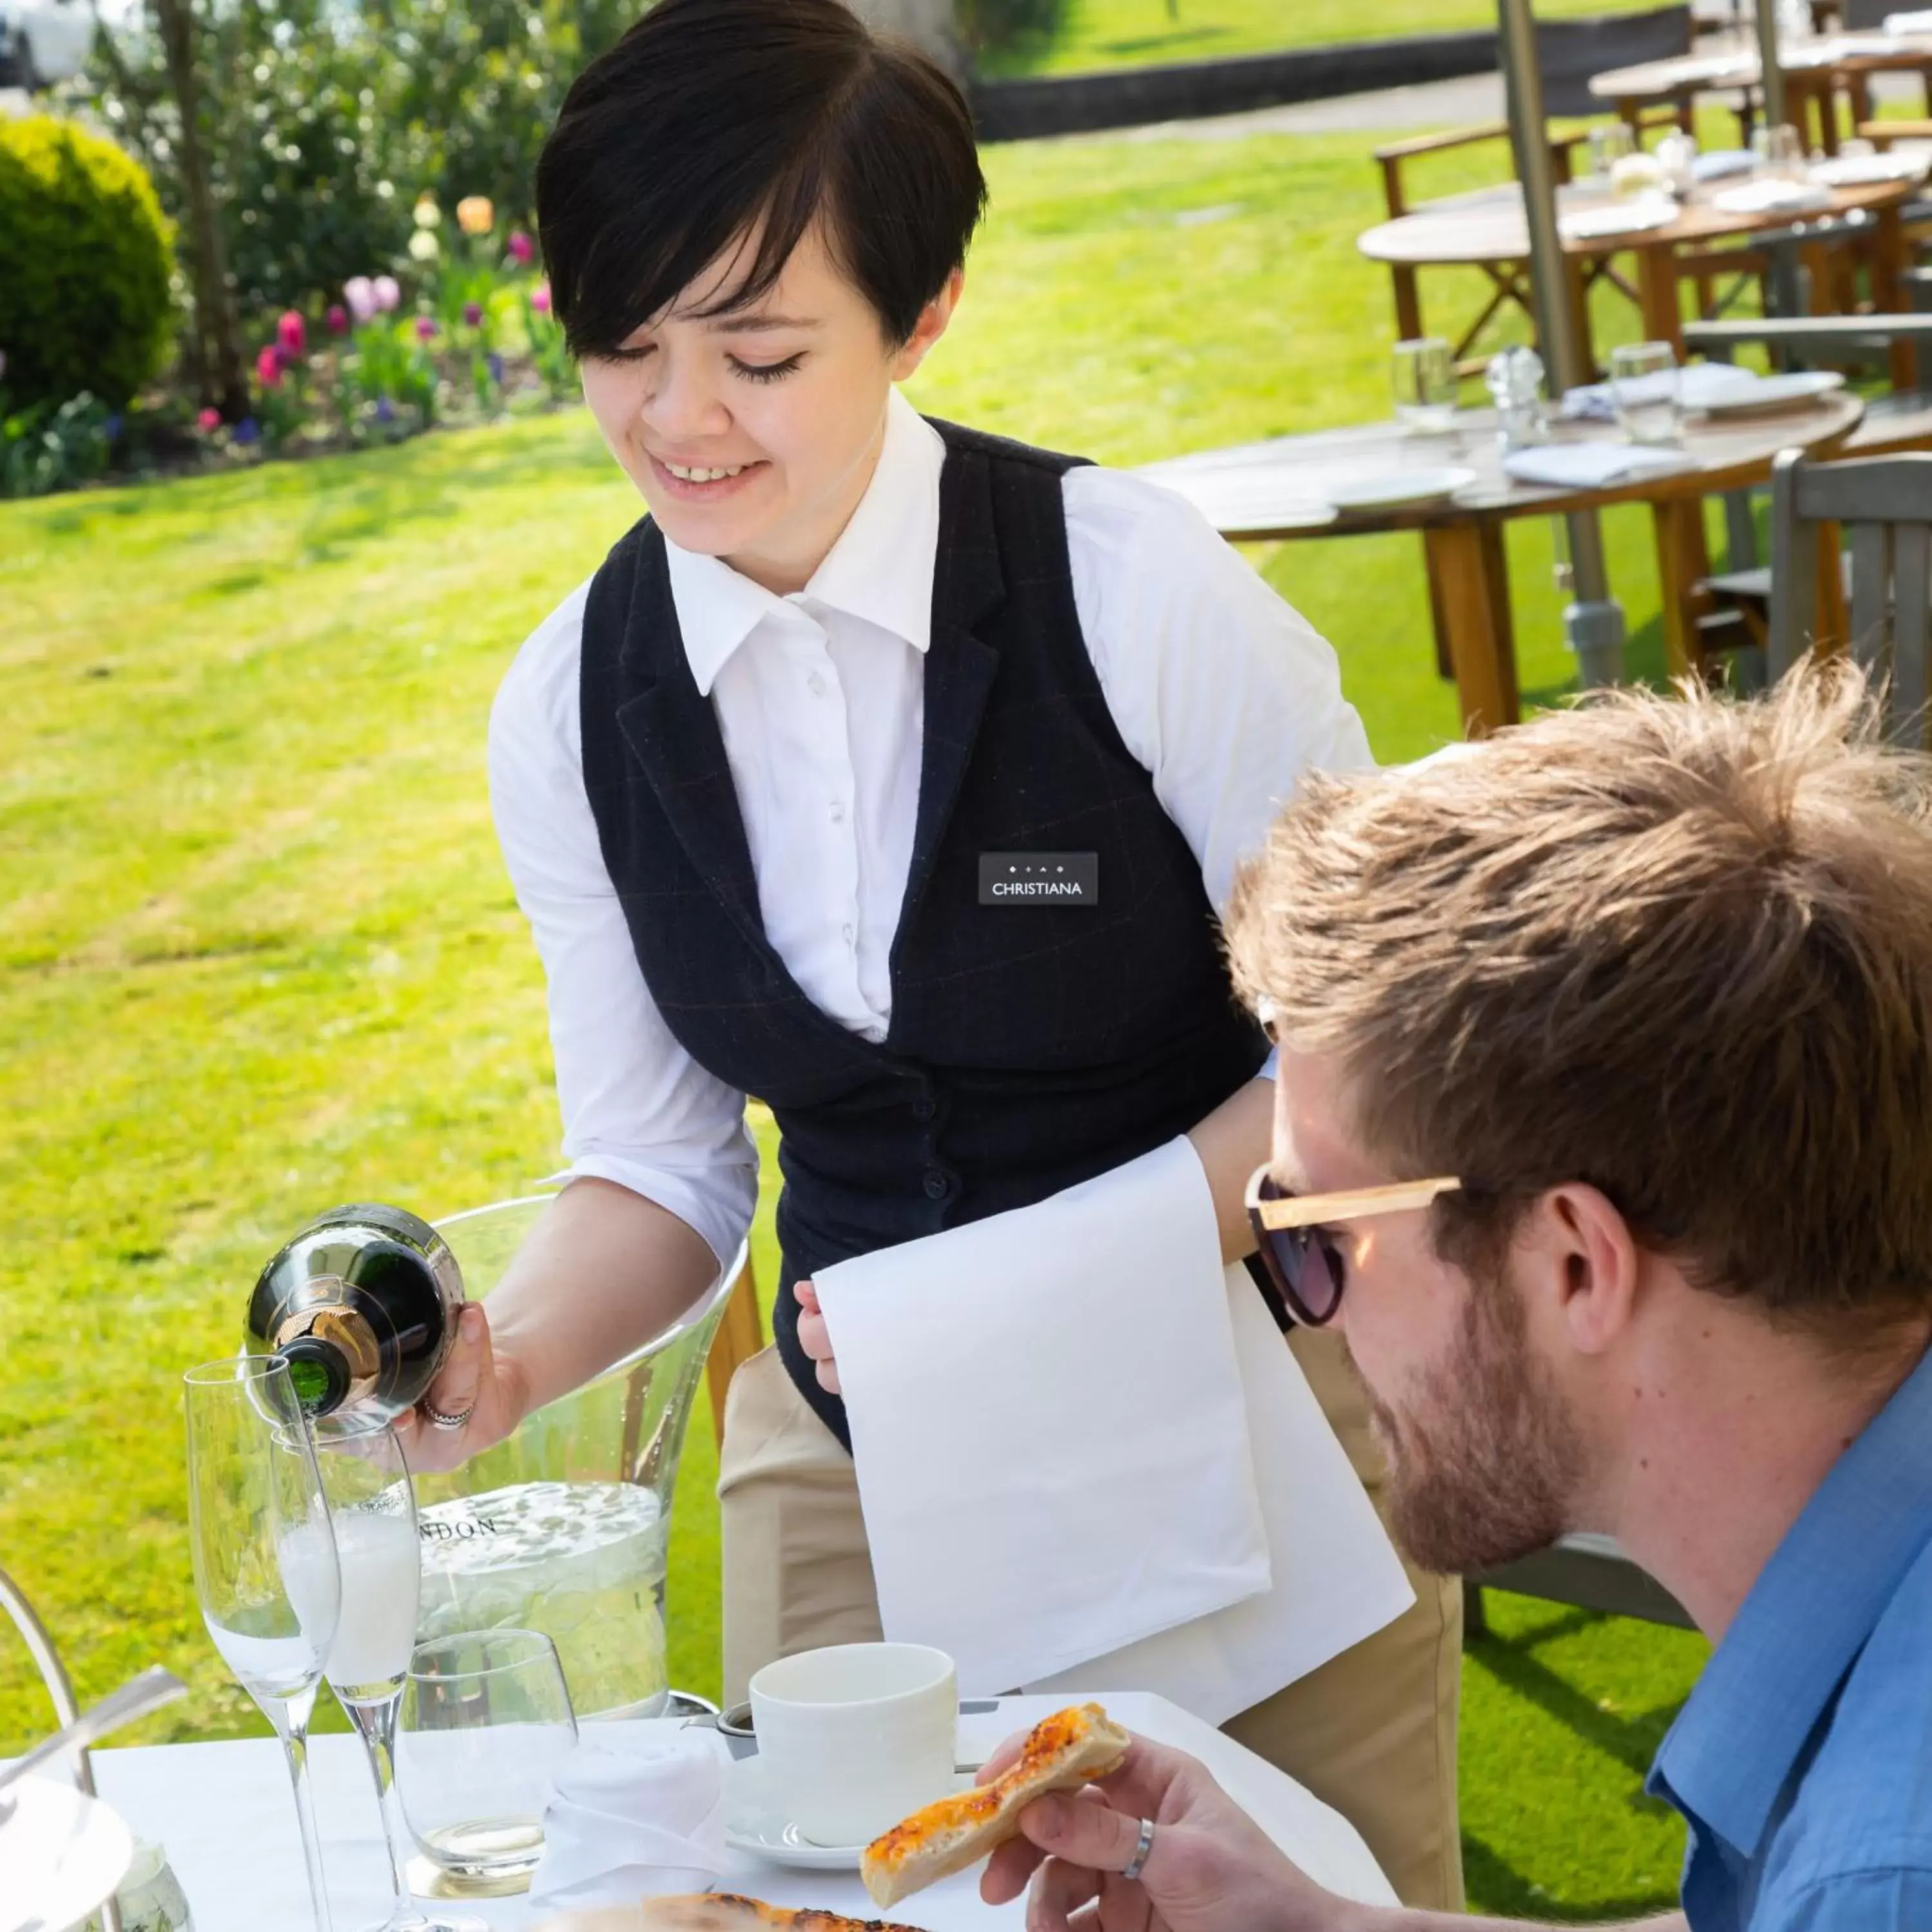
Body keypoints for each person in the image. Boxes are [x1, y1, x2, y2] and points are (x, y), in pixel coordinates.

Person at [401, 0, 1463, 1906]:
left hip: (1253, 1439)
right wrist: (508, 1359)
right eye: (622, 347)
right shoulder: (567, 703)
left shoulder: (1132, 593)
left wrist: (1040, 1277)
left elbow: (1384, 1041)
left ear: (928, 309)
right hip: (854, 1482)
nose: (679, 417)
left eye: (761, 350)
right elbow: (657, 1161)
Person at [978, 663, 1932, 1932]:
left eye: (1314, 1237)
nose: (1310, 1310)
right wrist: (1322, 1926)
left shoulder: (1881, 1868)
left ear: (1573, 1265)